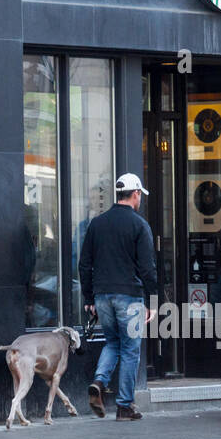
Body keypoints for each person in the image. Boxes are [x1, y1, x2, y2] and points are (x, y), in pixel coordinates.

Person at [80, 173, 158, 421]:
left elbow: (84, 264)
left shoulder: (97, 223)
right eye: (140, 196)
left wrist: (89, 297)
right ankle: (125, 406)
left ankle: (100, 381)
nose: (140, 200)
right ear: (136, 194)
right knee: (130, 350)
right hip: (130, 296)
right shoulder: (139, 225)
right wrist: (153, 299)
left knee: (112, 343)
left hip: (102, 296)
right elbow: (147, 268)